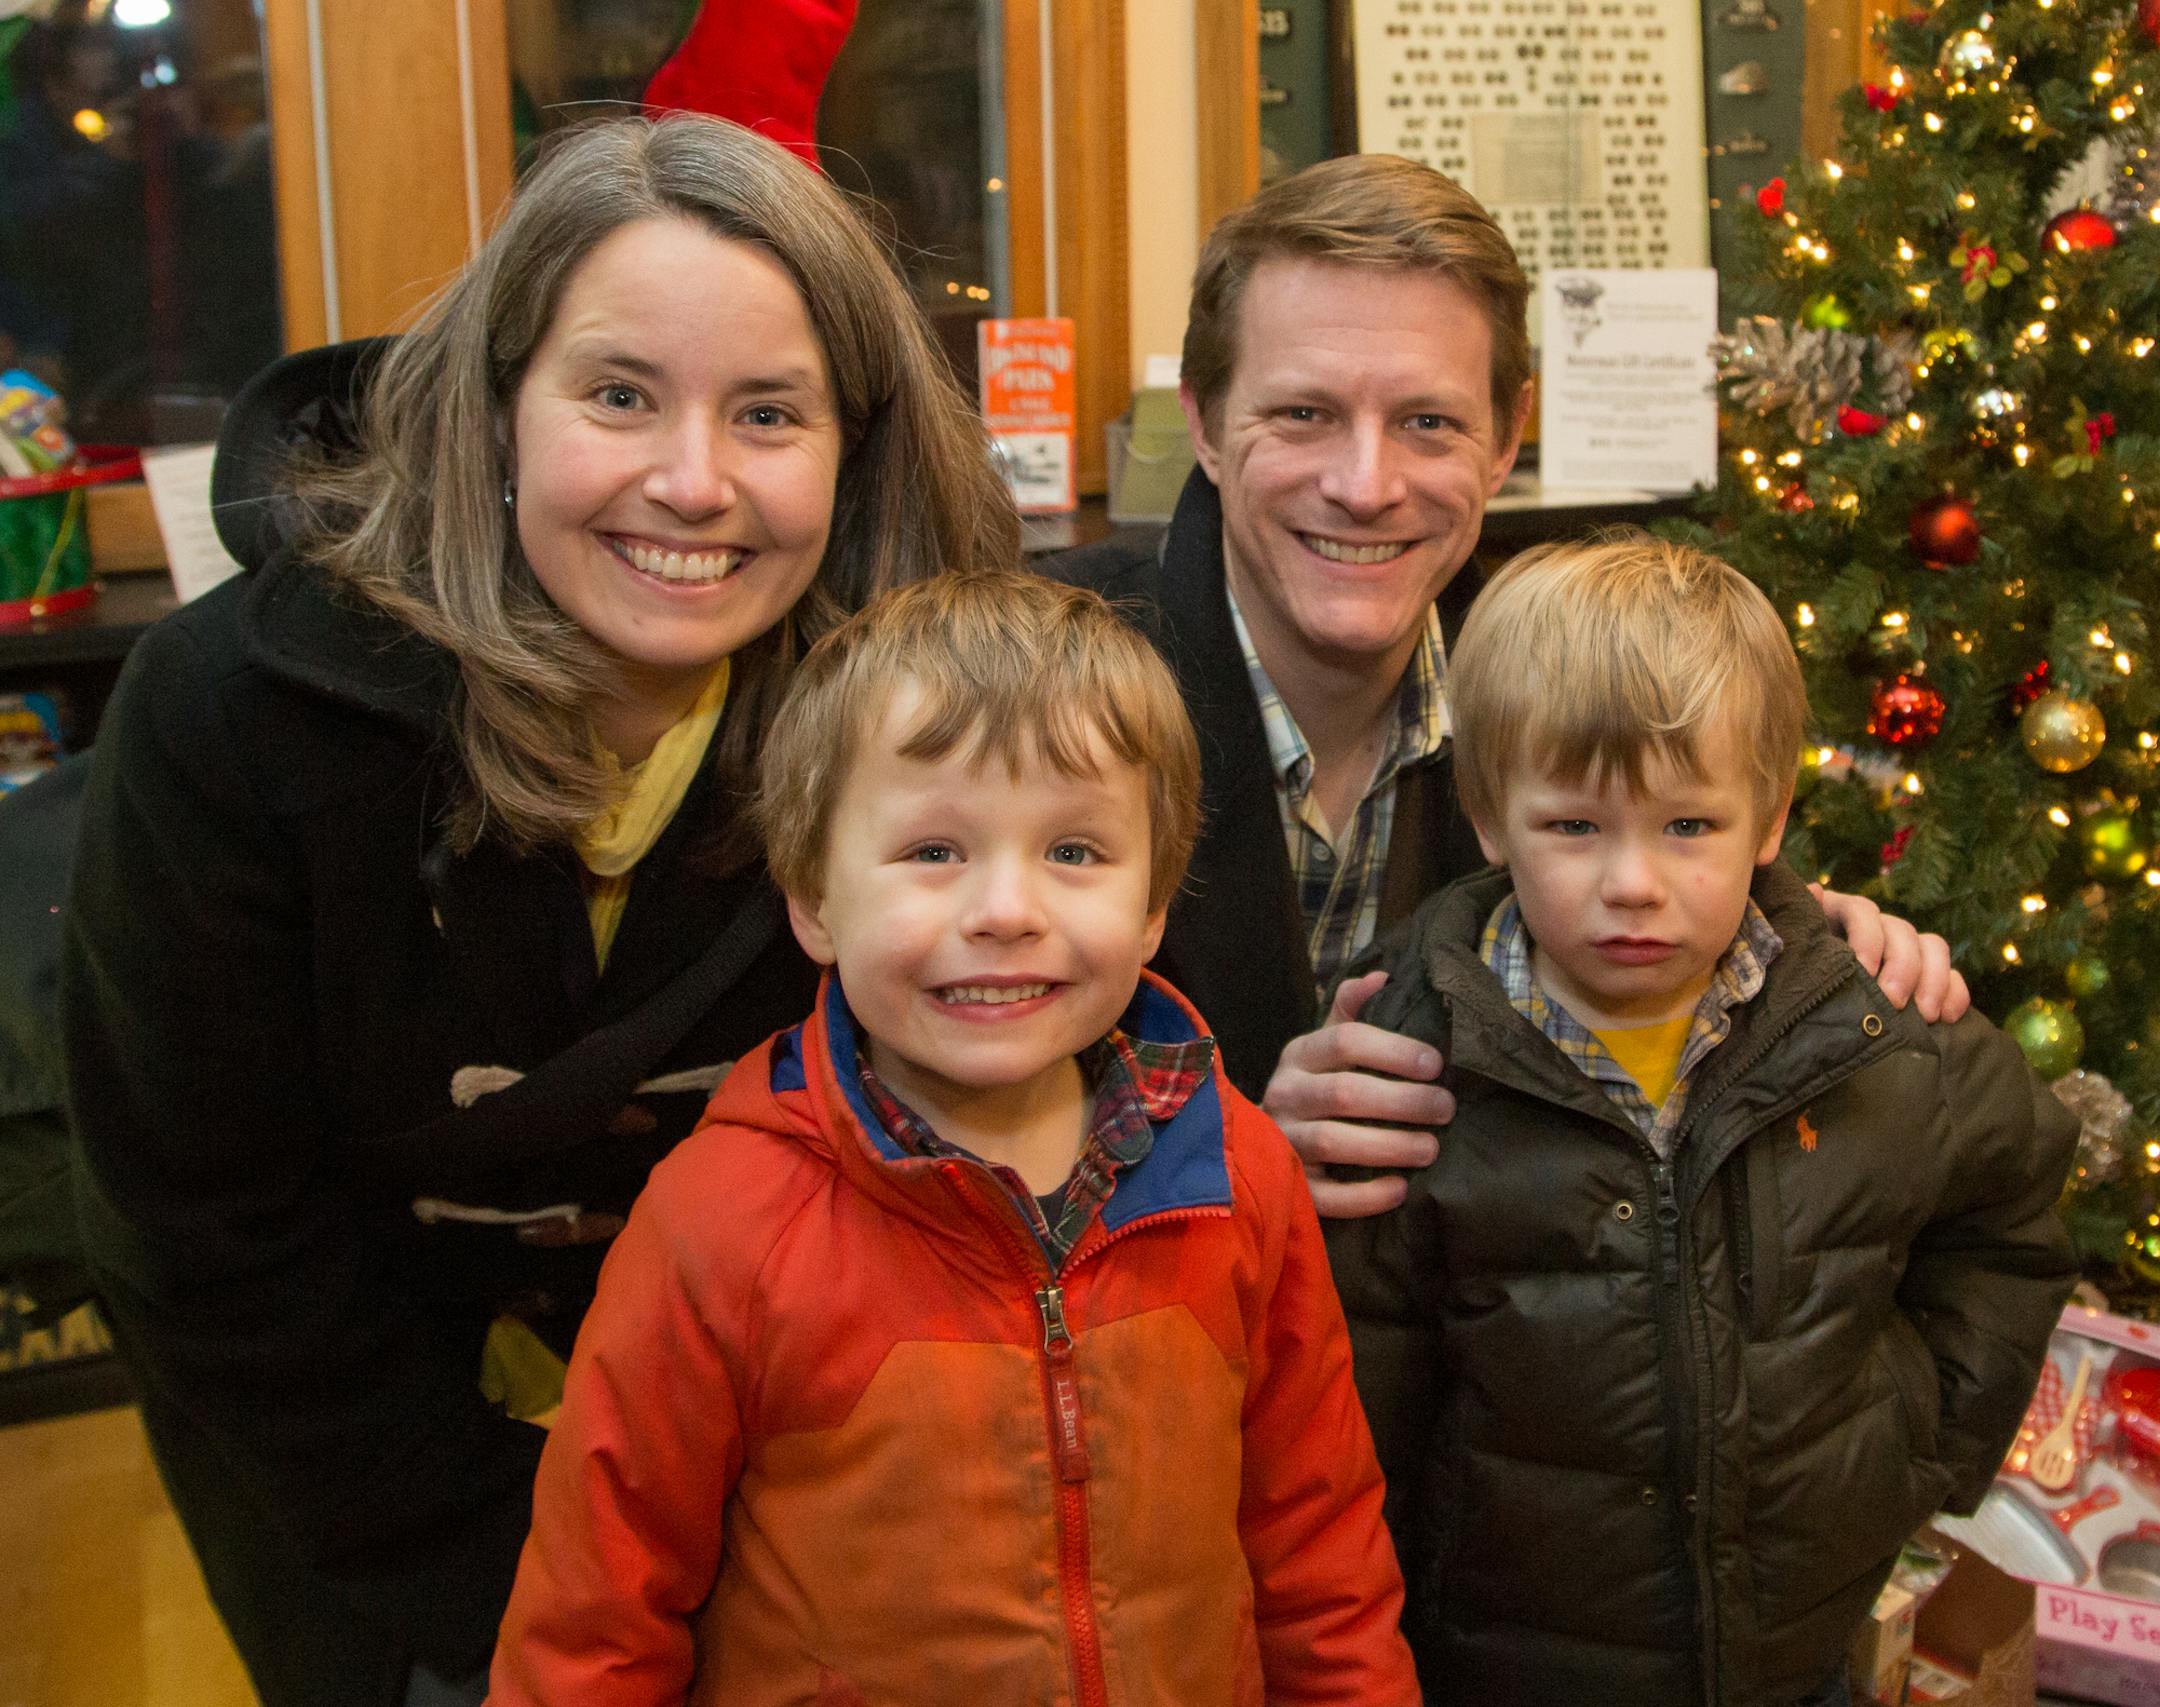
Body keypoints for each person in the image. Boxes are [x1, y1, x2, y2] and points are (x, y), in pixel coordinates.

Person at [62, 115, 1015, 1707]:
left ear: (852, 448)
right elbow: (204, 1230)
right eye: (620, 394)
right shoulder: (228, 709)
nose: (692, 481)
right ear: (500, 405)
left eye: (768, 411)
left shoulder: (927, 709)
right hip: (364, 1475)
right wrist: (518, 1563)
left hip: (790, 1489)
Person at [488, 570, 1420, 1706]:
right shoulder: (718, 1221)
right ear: (815, 899)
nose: (1005, 910)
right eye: (935, 851)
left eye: (1074, 853)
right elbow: (595, 1624)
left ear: (1155, 905)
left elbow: (1319, 1550)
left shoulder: (1237, 1173)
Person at [1045, 153, 1969, 1217]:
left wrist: (1823, 951)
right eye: (1301, 414)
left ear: (1506, 436)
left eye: (1428, 422)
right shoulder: (1050, 677)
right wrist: (1225, 1154)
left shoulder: (1559, 672)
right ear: (1204, 423)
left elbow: (1679, 907)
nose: (1365, 485)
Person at [1325, 535, 2077, 1706]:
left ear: (1769, 819)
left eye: (1688, 828)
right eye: (1575, 827)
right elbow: (1357, 1370)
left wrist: (1915, 1444)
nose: (1634, 881)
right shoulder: (1407, 1060)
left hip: (1796, 1653)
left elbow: (2012, 1210)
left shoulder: (1880, 1035)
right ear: (1488, 818)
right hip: (1503, 1659)